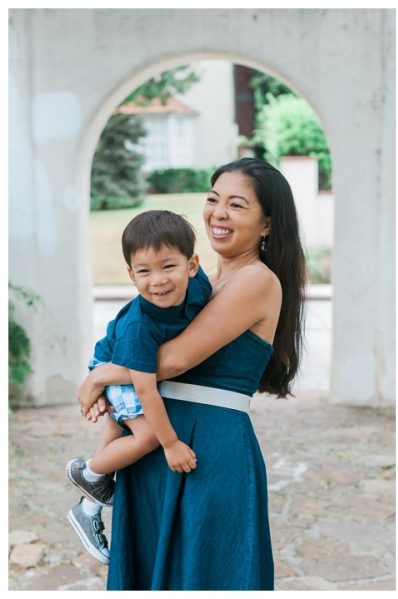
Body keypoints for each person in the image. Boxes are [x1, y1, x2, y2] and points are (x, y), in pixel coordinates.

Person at [77, 158, 305, 590]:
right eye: (213, 199)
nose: (219, 214)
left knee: (208, 570)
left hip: (208, 449)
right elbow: (138, 336)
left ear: (266, 225)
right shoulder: (196, 280)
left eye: (237, 205)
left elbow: (176, 359)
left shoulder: (257, 280)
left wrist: (101, 375)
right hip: (157, 446)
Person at [67, 210, 211, 565]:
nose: (157, 281)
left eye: (168, 267)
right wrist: (171, 444)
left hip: (128, 363)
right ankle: (88, 473)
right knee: (145, 436)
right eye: (144, 271)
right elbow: (145, 389)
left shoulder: (201, 287)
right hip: (117, 366)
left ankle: (88, 508)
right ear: (131, 276)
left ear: (193, 265)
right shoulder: (140, 326)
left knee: (118, 432)